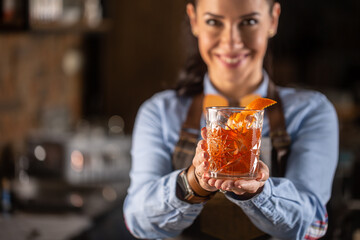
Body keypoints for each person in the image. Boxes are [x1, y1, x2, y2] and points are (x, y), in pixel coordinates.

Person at [123, 0, 339, 239]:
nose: (231, 41)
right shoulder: (159, 113)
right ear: (194, 20)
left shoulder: (310, 111)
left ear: (273, 19)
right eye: (214, 22)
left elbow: (313, 225)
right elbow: (139, 222)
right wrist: (194, 182)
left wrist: (257, 192)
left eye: (249, 21)